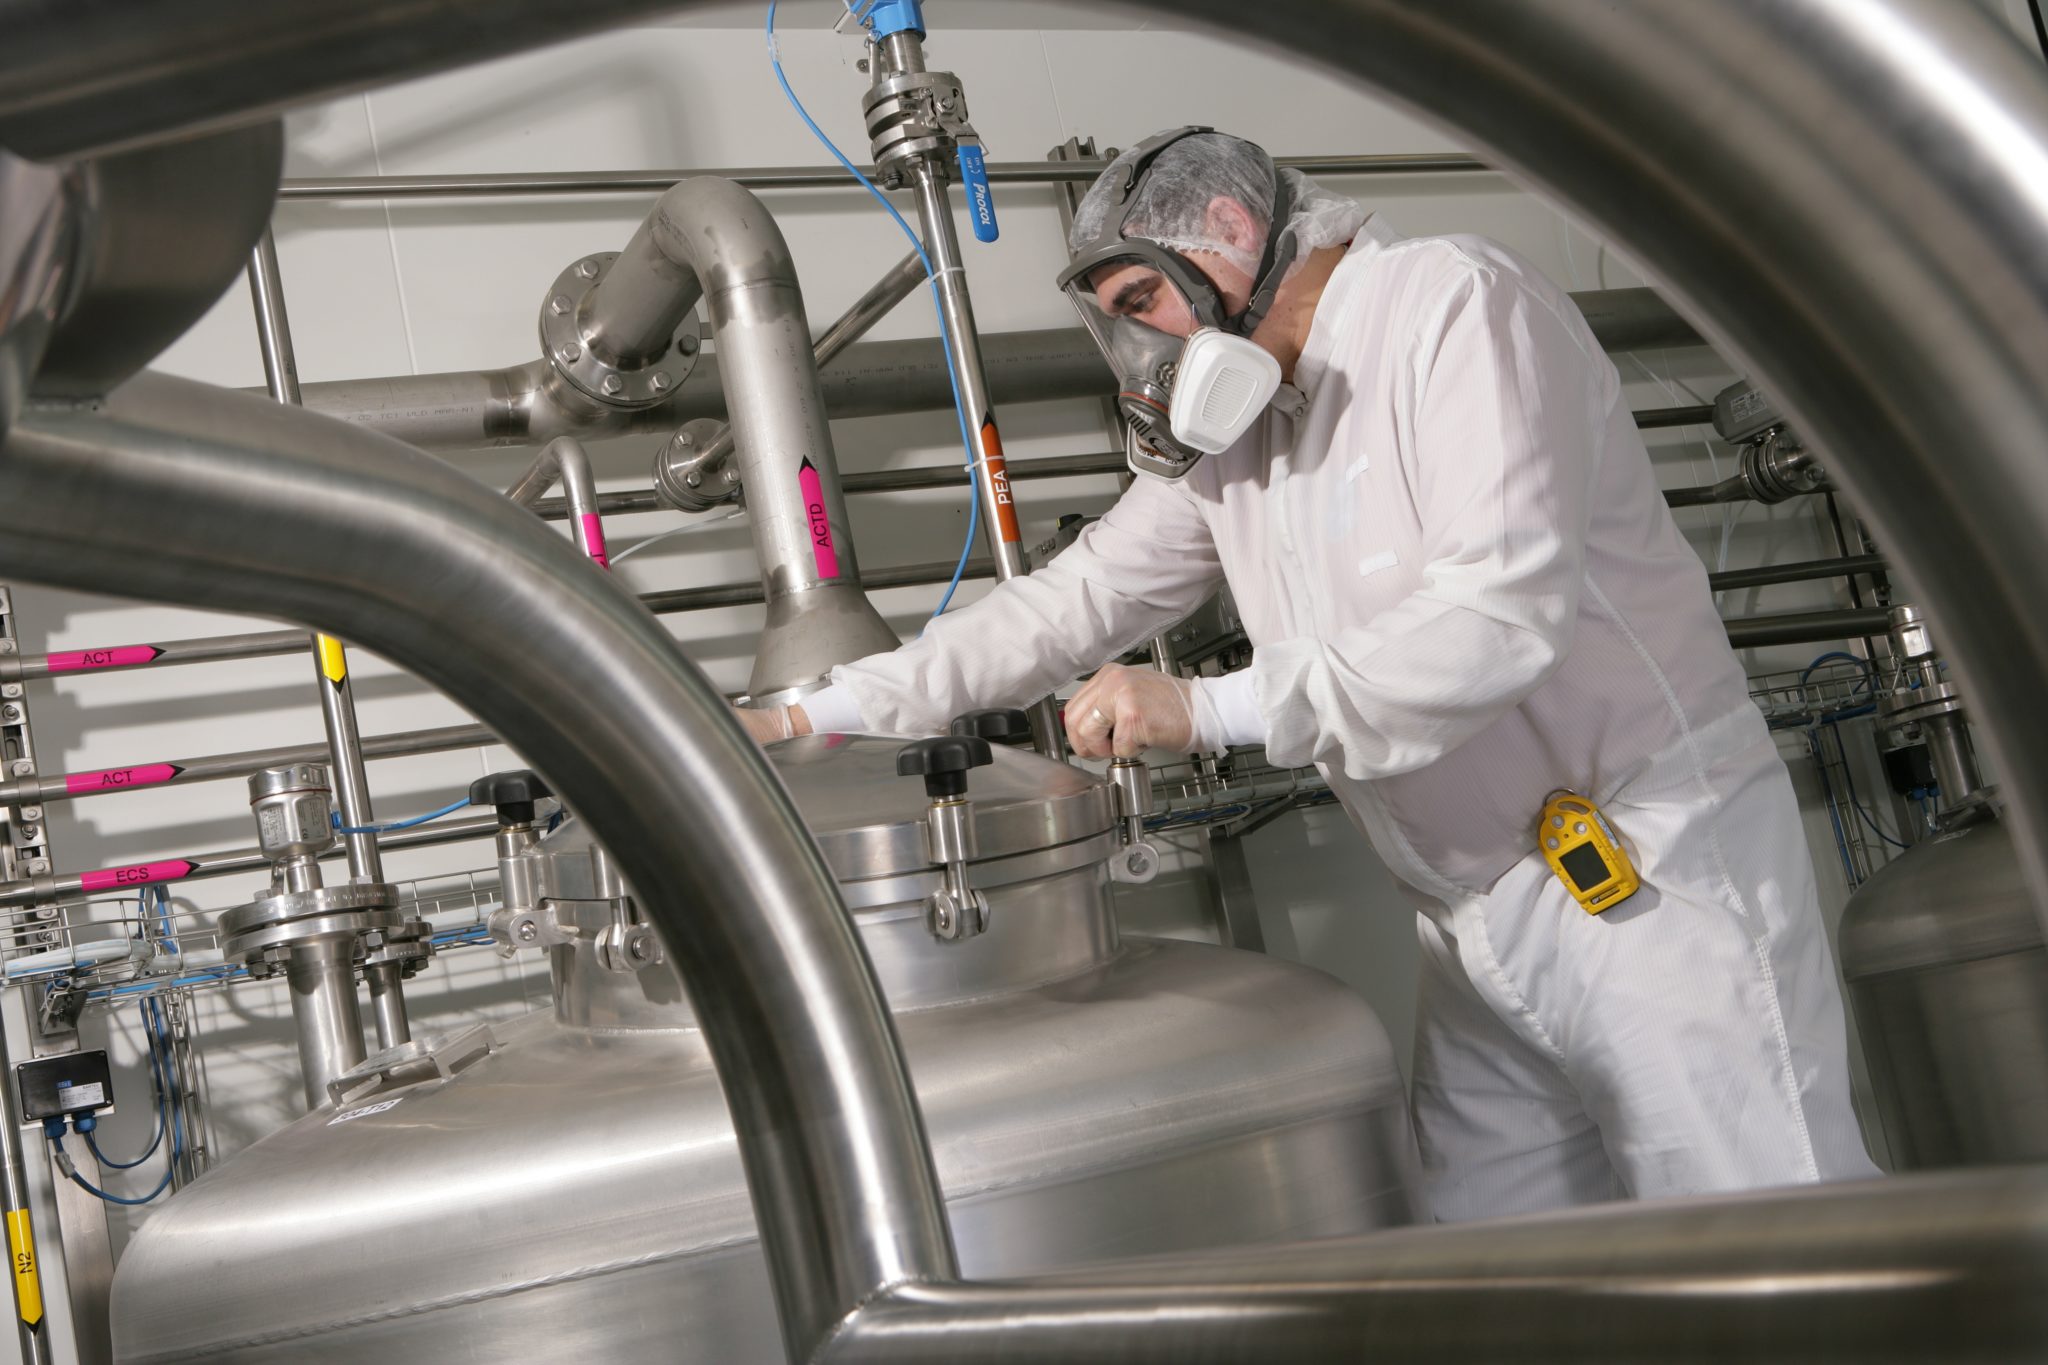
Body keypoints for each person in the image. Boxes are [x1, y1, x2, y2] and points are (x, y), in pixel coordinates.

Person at [737, 127, 1878, 1220]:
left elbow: (1495, 622)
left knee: (1775, 1259)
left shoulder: (1451, 307)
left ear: (1231, 229)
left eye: (1142, 304)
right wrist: (815, 710)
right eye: (1114, 326)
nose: (1142, 356)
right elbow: (1070, 602)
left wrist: (1203, 707)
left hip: (1646, 887)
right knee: (1521, 1274)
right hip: (1467, 920)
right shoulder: (1243, 428)